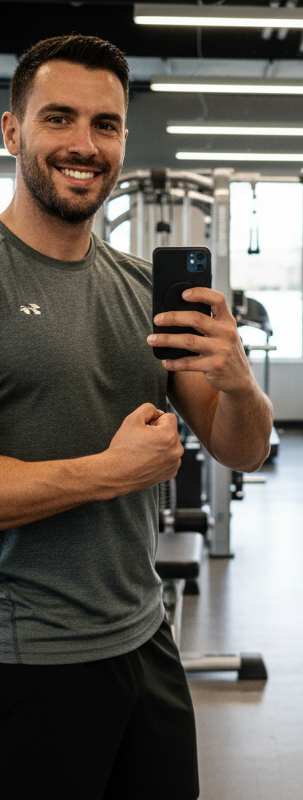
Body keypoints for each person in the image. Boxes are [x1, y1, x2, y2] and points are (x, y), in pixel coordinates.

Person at [0, 34, 273, 800]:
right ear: (13, 131)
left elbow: (241, 451)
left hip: (144, 641)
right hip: (25, 660)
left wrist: (239, 383)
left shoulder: (145, 288)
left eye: (107, 125)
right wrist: (108, 474)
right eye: (58, 119)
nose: (84, 145)